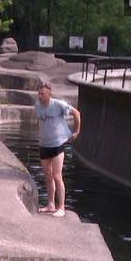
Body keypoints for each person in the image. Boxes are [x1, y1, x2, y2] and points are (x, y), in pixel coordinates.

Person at [35, 78, 81, 214]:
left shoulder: (58, 104)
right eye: (39, 93)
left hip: (57, 144)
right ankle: (50, 204)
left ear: (49, 94)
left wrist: (77, 131)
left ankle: (61, 207)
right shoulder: (37, 106)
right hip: (44, 145)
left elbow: (77, 113)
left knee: (57, 175)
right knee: (47, 175)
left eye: (43, 94)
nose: (40, 96)